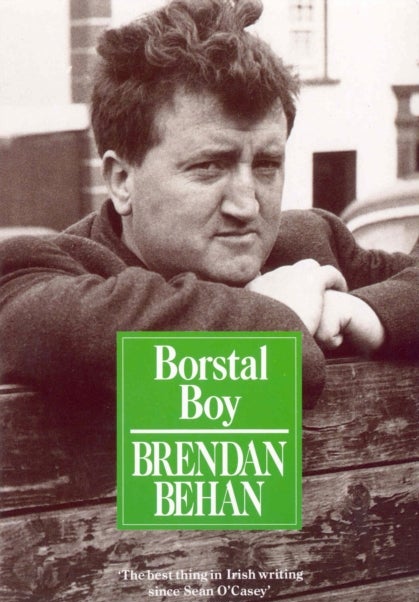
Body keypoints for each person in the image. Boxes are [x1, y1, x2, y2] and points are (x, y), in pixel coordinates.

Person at [0, 0, 417, 419]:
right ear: (122, 180)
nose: (246, 205)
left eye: (267, 164)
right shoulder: (33, 276)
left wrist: (365, 311)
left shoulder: (310, 248)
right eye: (209, 166)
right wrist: (282, 313)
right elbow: (68, 331)